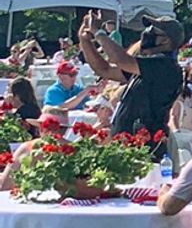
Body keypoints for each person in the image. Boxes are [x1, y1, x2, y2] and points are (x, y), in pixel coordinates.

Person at [79, 13, 184, 142]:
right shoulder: (145, 67)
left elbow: (121, 60)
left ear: (166, 40)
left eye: (153, 31)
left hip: (147, 143)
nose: (147, 33)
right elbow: (104, 70)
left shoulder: (166, 66)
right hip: (127, 140)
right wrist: (85, 41)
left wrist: (99, 32)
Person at [0, 107, 71, 191]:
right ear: (65, 130)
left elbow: (5, 185)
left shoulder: (27, 148)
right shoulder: (75, 149)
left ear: (40, 127)